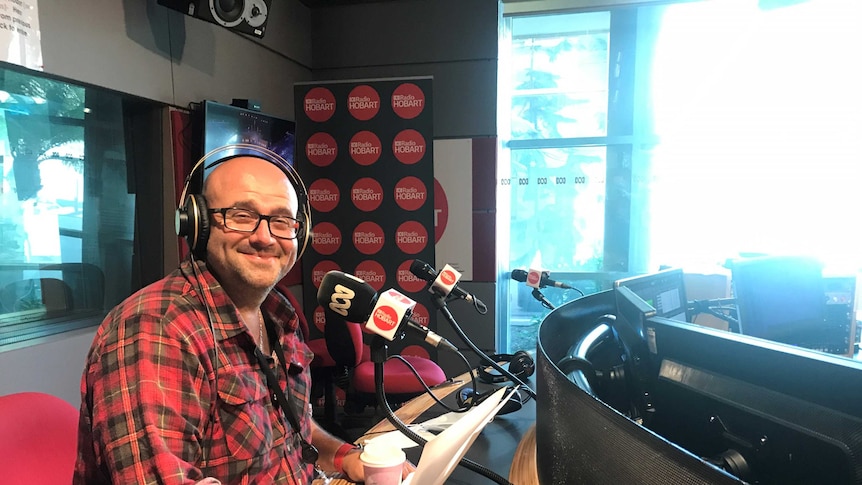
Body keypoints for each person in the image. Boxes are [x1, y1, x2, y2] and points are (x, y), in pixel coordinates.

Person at [74, 150, 413, 484]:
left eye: (282, 221)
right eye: (241, 216)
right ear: (198, 224)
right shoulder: (156, 331)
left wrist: (346, 457)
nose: (264, 238)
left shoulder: (277, 314)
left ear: (301, 234)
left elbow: (290, 429)